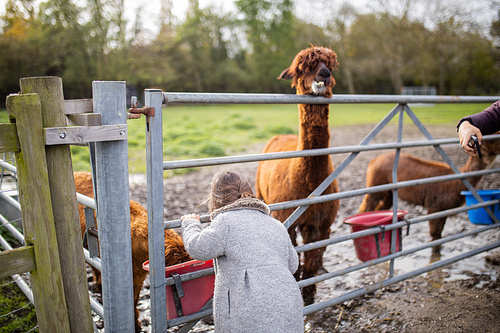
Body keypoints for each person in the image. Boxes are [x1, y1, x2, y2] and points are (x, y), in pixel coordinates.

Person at [181, 170, 304, 333]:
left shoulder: (225, 222)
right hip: (288, 305)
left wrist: (191, 224)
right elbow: (293, 264)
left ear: (216, 199)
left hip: (249, 312)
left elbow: (199, 248)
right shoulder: (275, 224)